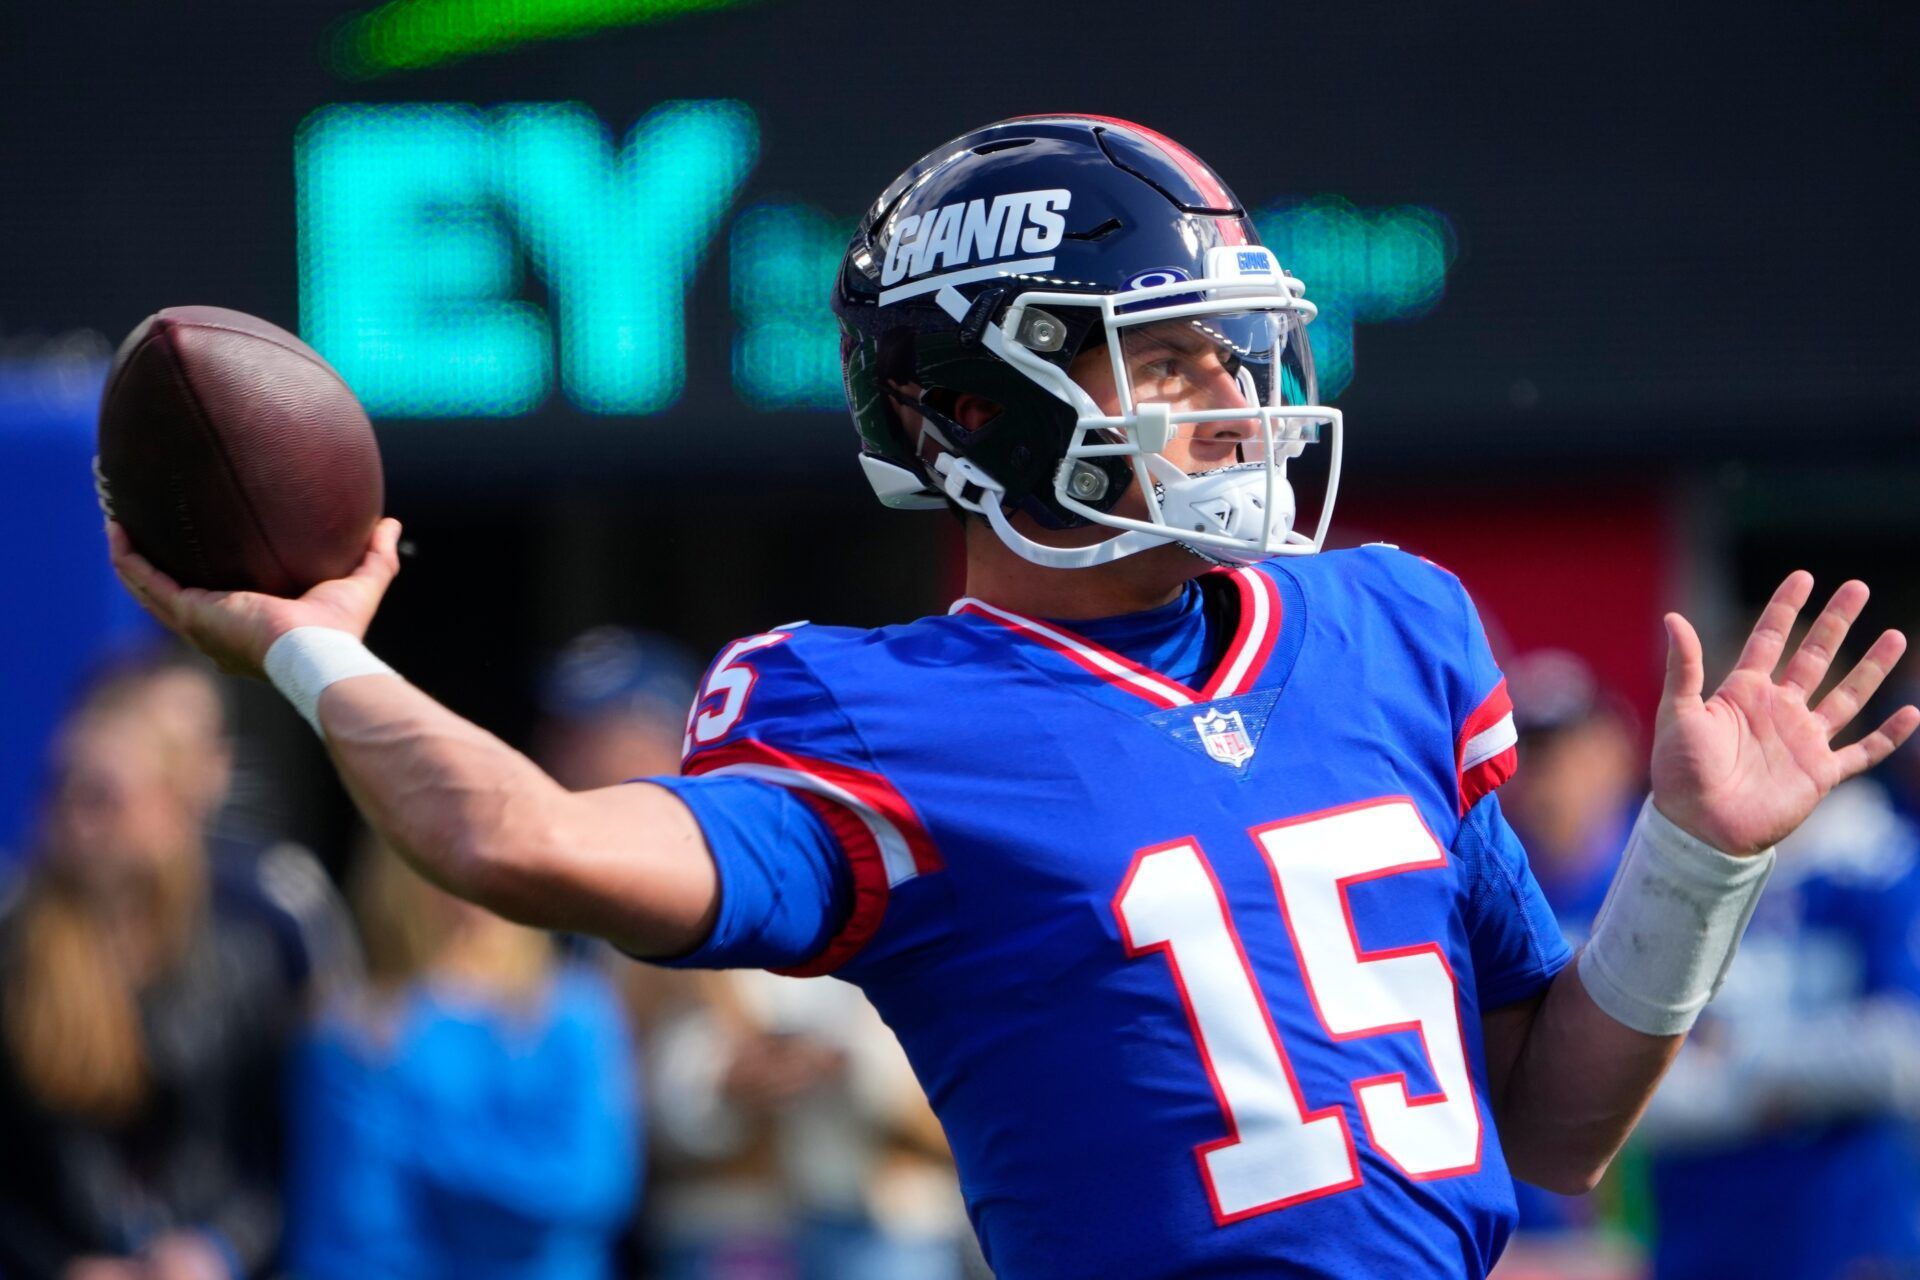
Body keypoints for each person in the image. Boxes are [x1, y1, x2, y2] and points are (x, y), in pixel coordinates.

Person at [106, 115, 1919, 1279]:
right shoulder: (873, 713)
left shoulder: (1391, 631)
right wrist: (307, 639)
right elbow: (513, 837)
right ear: (977, 403)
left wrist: (1693, 860)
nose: (1233, 398)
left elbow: (1553, 1133)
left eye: (1240, 349)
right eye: (1169, 352)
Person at [0, 700, 292, 1279]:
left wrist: (221, 1249)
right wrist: (58, 1267)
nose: (72, 815)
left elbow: (276, 1152)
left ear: (171, 807)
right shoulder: (14, 955)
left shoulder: (242, 958)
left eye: (102, 795)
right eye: (59, 788)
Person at [283, 836, 640, 1280]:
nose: (471, 878)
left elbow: (592, 1189)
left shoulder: (576, 1012)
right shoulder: (356, 1028)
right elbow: (351, 1231)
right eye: (443, 848)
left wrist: (424, 1148)